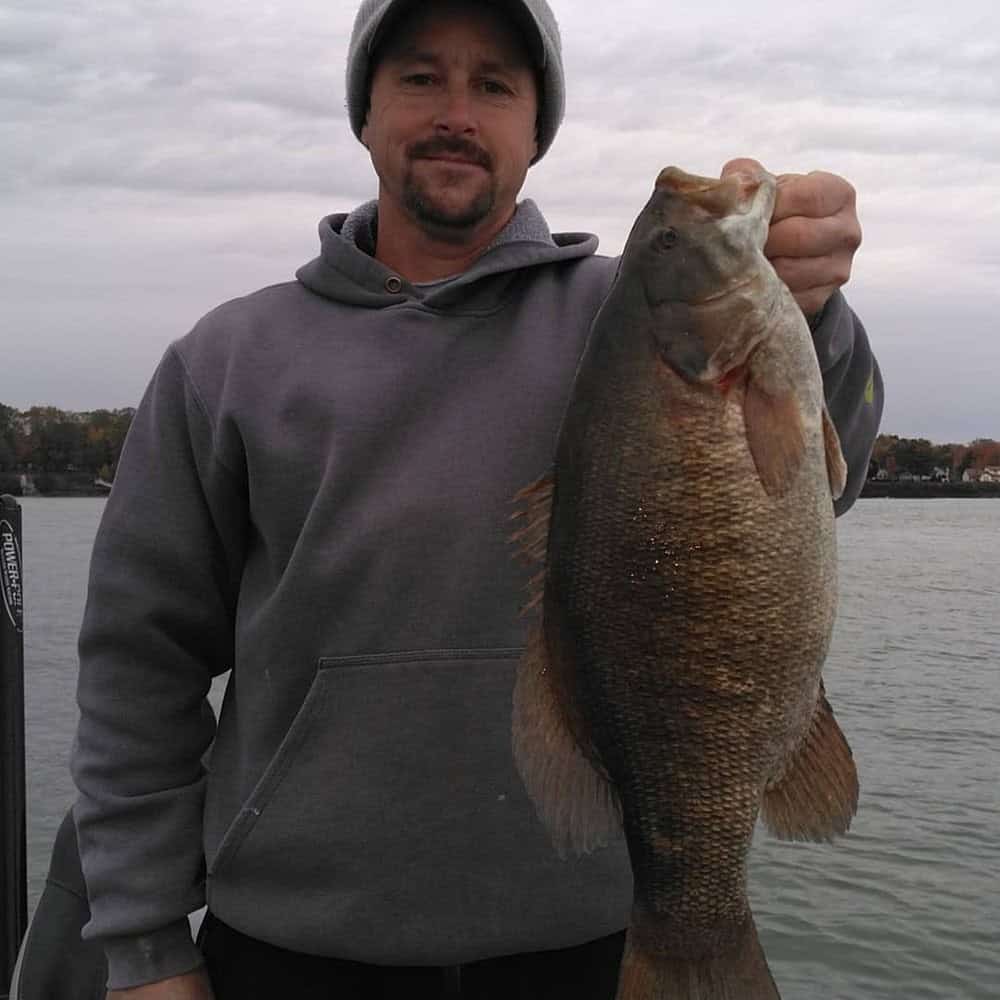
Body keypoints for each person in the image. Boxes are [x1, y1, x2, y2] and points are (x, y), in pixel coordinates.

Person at [70, 1, 884, 997]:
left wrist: (813, 309)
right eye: (419, 76)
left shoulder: (628, 312)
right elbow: (135, 669)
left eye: (495, 84)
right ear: (363, 112)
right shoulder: (226, 361)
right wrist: (147, 945)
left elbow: (819, 470)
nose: (457, 108)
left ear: (536, 128)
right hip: (288, 951)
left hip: (592, 942)